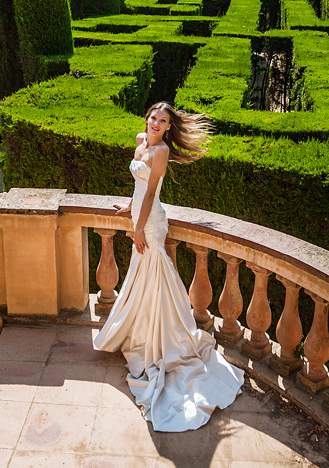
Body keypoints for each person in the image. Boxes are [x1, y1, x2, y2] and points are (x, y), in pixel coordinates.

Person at [93, 102, 244, 432]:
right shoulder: (139, 140)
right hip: (138, 214)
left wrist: (137, 226)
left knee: (155, 278)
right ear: (146, 117)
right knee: (142, 280)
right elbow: (137, 187)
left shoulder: (160, 151)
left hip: (152, 222)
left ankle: (164, 341)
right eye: (153, 117)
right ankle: (145, 334)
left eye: (162, 121)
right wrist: (127, 209)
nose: (156, 123)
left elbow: (151, 193)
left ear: (168, 127)